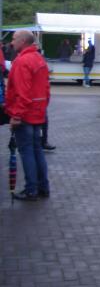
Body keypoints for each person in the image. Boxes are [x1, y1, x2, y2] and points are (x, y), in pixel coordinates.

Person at [5, 30, 51, 201]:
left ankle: (31, 189)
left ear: (23, 41)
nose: (12, 42)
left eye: (14, 39)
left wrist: (16, 115)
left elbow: (22, 93)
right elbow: (46, 89)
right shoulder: (39, 59)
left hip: (25, 114)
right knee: (36, 149)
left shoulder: (22, 61)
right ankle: (43, 187)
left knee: (26, 152)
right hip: (37, 112)